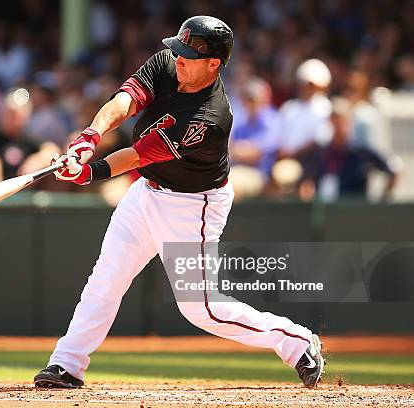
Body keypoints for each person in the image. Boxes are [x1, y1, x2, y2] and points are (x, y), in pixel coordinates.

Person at [33, 16, 324, 390]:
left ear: (214, 63)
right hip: (147, 194)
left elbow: (138, 155)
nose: (179, 59)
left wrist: (88, 173)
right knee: (106, 278)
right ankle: (66, 365)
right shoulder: (168, 63)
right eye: (180, 50)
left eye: (189, 54)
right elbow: (125, 100)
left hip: (193, 206)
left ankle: (296, 341)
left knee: (202, 309)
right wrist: (89, 136)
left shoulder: (209, 117)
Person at [302, 99, 396, 201]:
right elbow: (309, 180)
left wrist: (382, 200)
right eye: (334, 121)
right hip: (327, 211)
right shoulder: (322, 151)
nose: (338, 126)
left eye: (341, 121)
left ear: (349, 122)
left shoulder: (361, 150)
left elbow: (393, 171)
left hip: (354, 211)